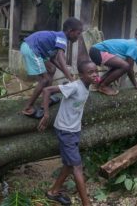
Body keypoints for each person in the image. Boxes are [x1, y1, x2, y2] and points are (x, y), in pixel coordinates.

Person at [38, 60, 98, 206]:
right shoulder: (75, 86)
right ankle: (86, 203)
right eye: (90, 72)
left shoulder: (86, 86)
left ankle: (53, 192)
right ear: (81, 75)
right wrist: (46, 115)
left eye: (96, 71)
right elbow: (47, 91)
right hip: (66, 131)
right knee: (77, 166)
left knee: (69, 165)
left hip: (74, 129)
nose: (95, 74)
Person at [20, 17, 83, 118]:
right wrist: (70, 78)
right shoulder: (62, 38)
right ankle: (27, 107)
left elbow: (54, 59)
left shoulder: (58, 38)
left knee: (51, 69)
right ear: (70, 31)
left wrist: (66, 72)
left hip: (37, 51)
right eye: (78, 33)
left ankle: (47, 97)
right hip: (31, 49)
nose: (78, 36)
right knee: (44, 80)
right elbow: (61, 58)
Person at [89, 25, 137, 96]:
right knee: (125, 66)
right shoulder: (134, 46)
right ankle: (103, 86)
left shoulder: (135, 48)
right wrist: (136, 84)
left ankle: (98, 84)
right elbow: (129, 68)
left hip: (95, 51)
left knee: (119, 67)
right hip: (98, 51)